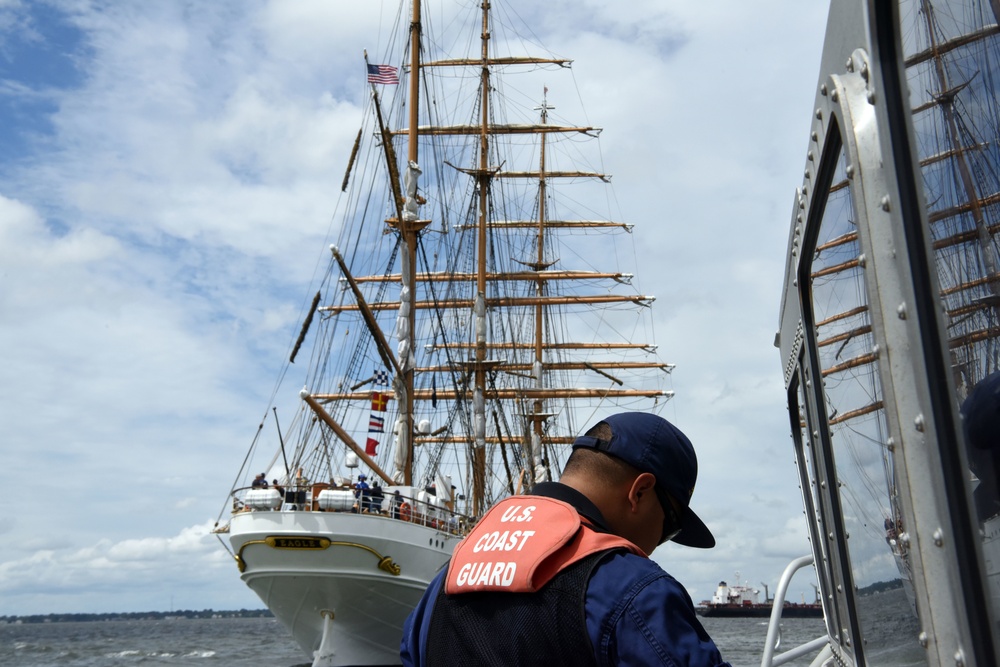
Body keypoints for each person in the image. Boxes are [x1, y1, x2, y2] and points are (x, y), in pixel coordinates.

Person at [400, 412, 731, 666]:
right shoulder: (633, 589)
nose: (658, 543)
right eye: (669, 527)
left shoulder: (445, 582)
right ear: (640, 492)